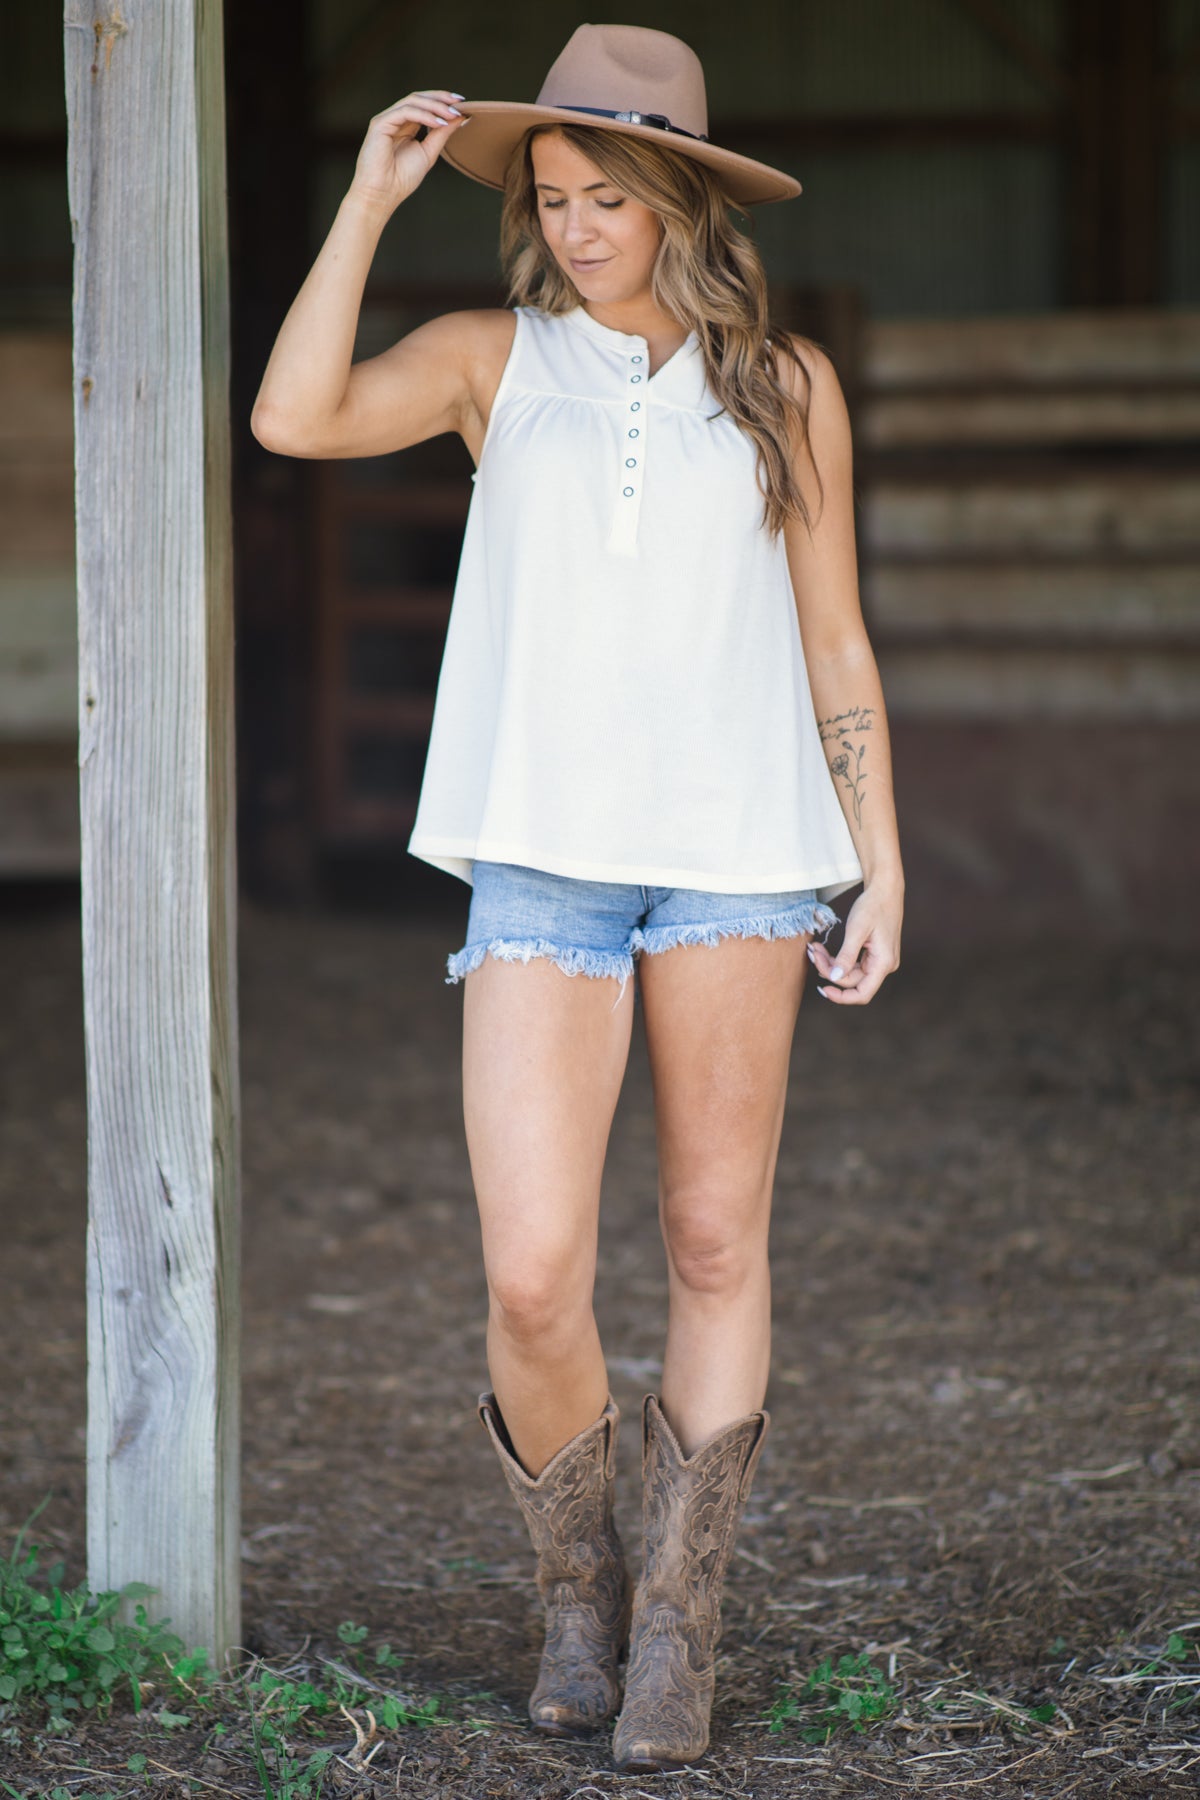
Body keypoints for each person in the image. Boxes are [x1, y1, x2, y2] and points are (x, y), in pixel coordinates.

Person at [251, 22, 904, 1775]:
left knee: (711, 1236)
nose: (578, 223)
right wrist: (371, 203)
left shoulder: (785, 385)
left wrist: (880, 854)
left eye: (609, 192)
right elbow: (293, 414)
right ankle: (578, 1598)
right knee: (536, 1274)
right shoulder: (495, 362)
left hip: (739, 860)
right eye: (553, 195)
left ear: (680, 193)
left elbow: (834, 637)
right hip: (541, 846)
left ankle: (682, 1629)